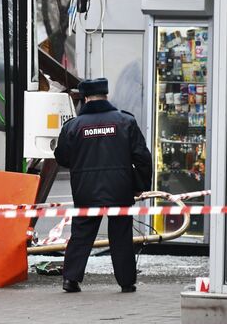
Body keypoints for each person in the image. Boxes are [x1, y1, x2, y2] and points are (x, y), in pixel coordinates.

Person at [54, 77, 152, 293]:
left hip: (85, 190)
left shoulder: (74, 126)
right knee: (121, 235)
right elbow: (142, 157)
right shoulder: (125, 121)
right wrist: (139, 185)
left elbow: (62, 157)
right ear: (105, 96)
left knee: (82, 233)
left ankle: (71, 279)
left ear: (86, 98)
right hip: (120, 188)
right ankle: (126, 282)